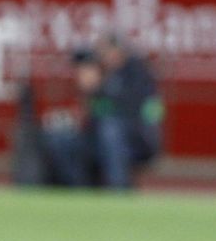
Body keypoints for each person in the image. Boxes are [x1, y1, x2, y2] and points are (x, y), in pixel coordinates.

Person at [44, 37, 163, 189]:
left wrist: (100, 88)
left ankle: (118, 191)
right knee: (61, 139)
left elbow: (131, 110)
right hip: (98, 138)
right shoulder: (102, 76)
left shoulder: (135, 73)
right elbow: (90, 119)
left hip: (136, 141)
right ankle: (79, 192)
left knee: (111, 131)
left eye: (104, 53)